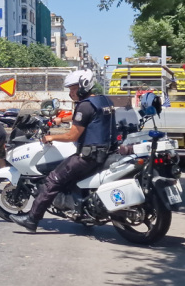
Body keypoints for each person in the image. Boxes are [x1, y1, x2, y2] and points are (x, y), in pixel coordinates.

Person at [9, 69, 115, 232]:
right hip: (105, 150)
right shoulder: (102, 100)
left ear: (83, 87)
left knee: (53, 179)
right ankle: (81, 213)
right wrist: (60, 119)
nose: (71, 93)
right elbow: (84, 116)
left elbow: (73, 135)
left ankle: (32, 219)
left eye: (73, 89)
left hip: (88, 155)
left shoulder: (84, 106)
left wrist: (51, 138)